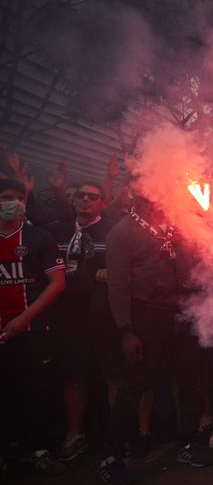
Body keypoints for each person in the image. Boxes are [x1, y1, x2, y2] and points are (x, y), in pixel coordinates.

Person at [98, 194, 209, 485]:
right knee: (135, 385)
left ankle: (189, 442)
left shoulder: (177, 225)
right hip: (146, 317)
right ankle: (110, 456)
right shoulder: (122, 232)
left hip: (183, 313)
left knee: (190, 380)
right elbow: (118, 286)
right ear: (140, 195)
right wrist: (127, 330)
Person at [48, 182, 121, 461]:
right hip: (68, 317)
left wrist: (110, 272)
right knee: (73, 375)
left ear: (103, 202)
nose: (86, 200)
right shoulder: (57, 231)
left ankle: (117, 436)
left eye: (93, 196)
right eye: (81, 195)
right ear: (74, 201)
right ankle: (75, 434)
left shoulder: (113, 231)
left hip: (104, 316)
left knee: (113, 374)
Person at [0, 178, 67, 476]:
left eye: (17, 197)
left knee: (36, 390)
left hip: (33, 330)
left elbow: (57, 283)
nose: (12, 202)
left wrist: (24, 318)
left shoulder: (39, 237)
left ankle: (40, 450)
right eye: (5, 197)